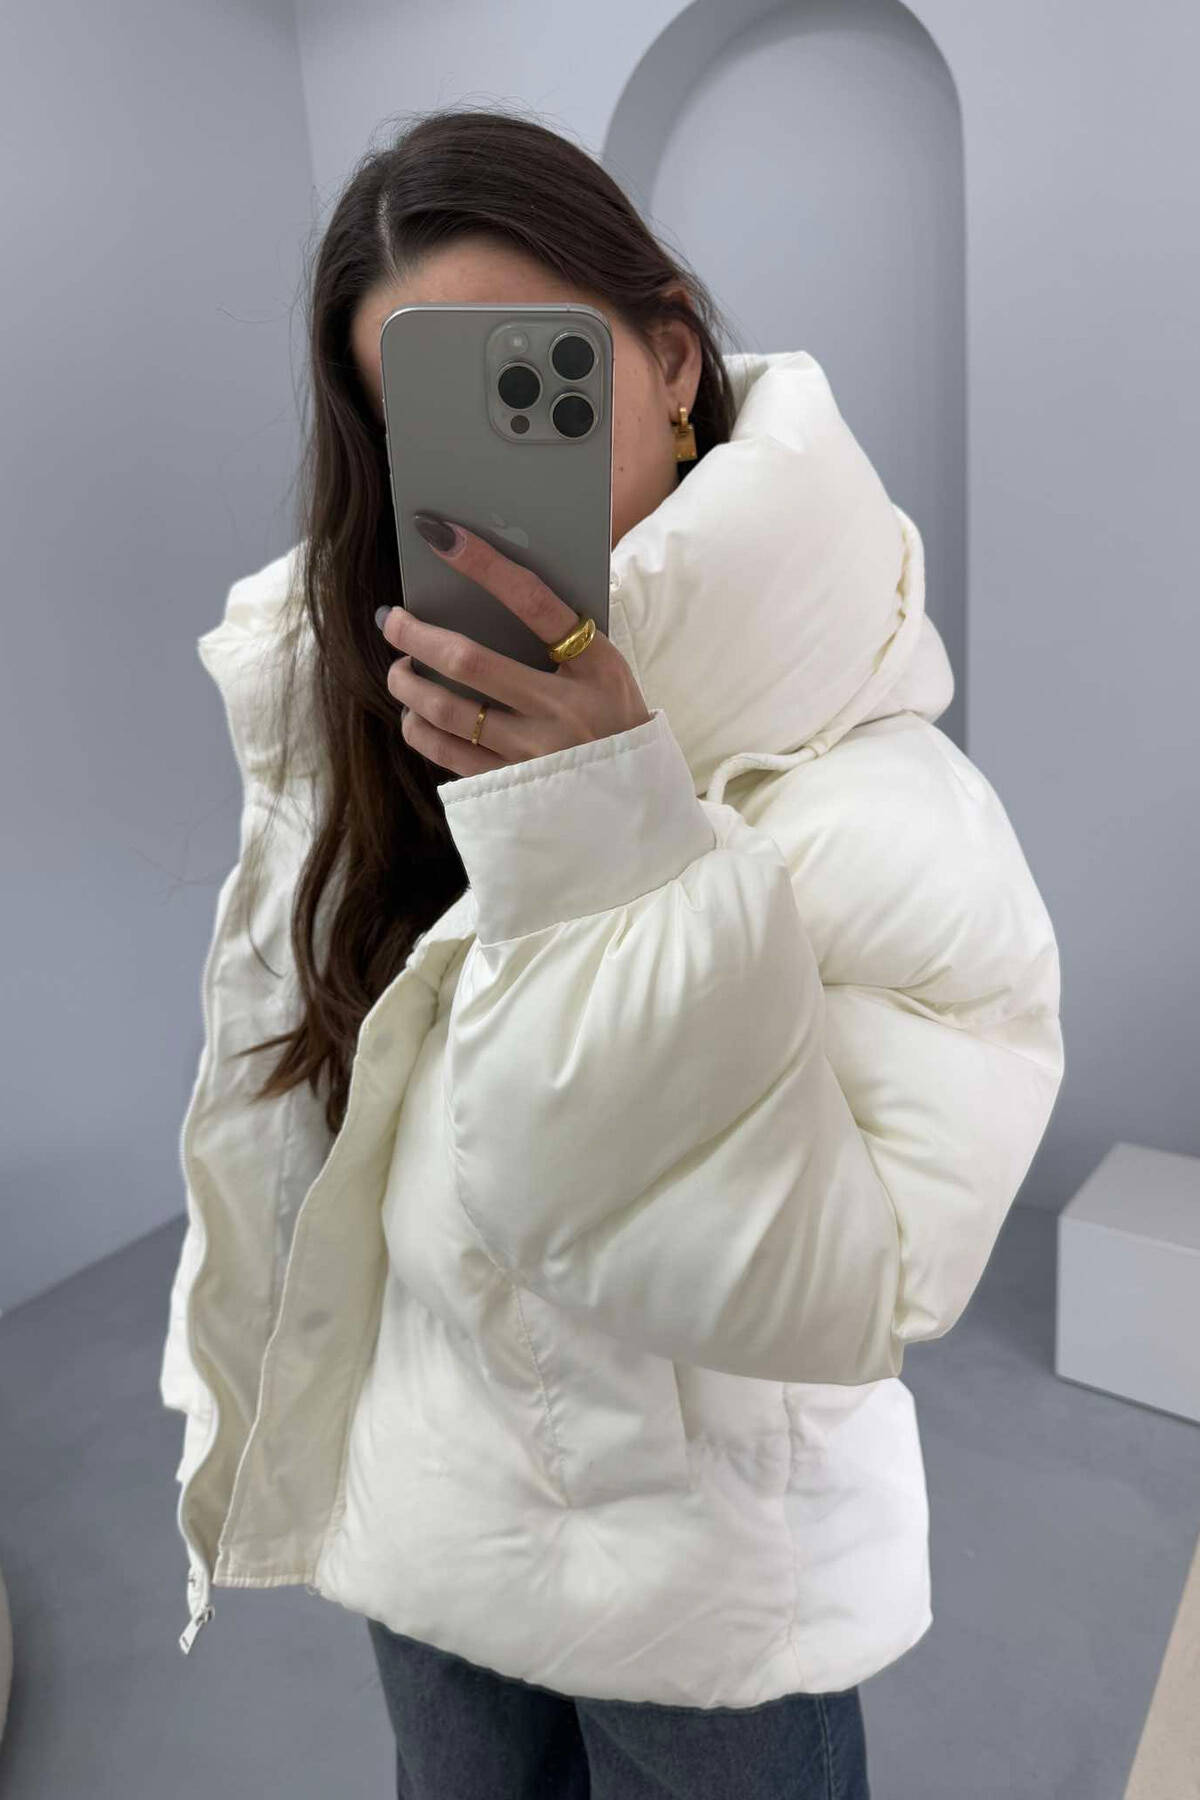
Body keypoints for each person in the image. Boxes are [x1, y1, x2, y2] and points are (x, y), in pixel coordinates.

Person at [159, 106, 1065, 1799]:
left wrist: (614, 838)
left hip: (702, 1606)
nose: (501, 464)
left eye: (540, 382)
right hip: (427, 1532)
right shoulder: (363, 731)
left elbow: (868, 1277)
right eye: (429, 421)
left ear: (671, 358)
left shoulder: (883, 804)